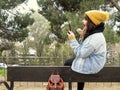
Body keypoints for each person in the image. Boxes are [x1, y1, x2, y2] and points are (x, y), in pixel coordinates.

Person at [64, 10, 109, 90]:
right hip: (91, 62)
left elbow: (81, 53)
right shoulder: (94, 34)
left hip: (92, 65)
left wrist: (72, 40)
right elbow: (84, 49)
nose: (83, 21)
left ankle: (70, 87)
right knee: (70, 62)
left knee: (68, 63)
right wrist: (82, 36)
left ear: (92, 22)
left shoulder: (95, 37)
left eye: (85, 19)